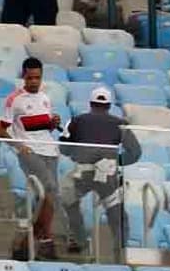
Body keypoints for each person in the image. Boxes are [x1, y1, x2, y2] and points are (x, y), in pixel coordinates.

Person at [60, 87, 141, 255]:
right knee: (116, 213)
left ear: (91, 103)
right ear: (109, 105)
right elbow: (135, 152)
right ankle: (120, 250)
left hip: (82, 174)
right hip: (108, 176)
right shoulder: (121, 124)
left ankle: (79, 239)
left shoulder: (76, 120)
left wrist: (79, 153)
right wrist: (115, 162)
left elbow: (64, 149)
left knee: (68, 201)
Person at [0, 57, 62, 260]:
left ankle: (26, 242)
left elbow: (44, 127)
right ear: (24, 76)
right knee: (49, 189)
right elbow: (1, 131)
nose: (34, 82)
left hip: (50, 150)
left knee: (50, 196)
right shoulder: (14, 99)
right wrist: (19, 146)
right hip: (30, 151)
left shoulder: (45, 98)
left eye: (38, 78)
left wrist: (53, 122)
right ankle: (46, 240)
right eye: (30, 78)